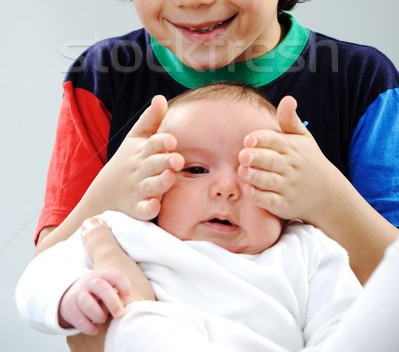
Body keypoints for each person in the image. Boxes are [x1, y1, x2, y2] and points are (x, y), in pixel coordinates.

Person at [33, 0, 399, 351]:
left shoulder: (362, 81)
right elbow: (49, 287)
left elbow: (392, 293)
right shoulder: (99, 79)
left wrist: (327, 197)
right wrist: (107, 196)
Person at [17, 83, 365, 351]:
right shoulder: (122, 231)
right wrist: (70, 295)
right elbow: (39, 276)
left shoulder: (308, 251)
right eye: (196, 169)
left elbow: (347, 330)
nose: (226, 189)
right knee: (142, 328)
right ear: (152, 181)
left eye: (254, 173)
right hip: (159, 338)